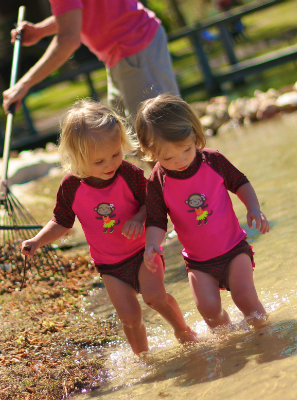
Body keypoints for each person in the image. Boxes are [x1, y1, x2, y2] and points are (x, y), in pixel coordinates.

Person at [21, 99, 196, 355]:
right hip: (110, 265)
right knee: (129, 317)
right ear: (77, 157)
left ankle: (183, 331)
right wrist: (37, 240)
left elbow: (153, 203)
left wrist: (138, 218)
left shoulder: (128, 174)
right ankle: (144, 359)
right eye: (99, 161)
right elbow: (61, 222)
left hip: (142, 252)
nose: (110, 164)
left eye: (115, 154)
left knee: (155, 298)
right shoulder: (71, 186)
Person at [135, 94, 269, 330]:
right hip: (198, 262)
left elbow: (240, 183)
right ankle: (228, 338)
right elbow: (156, 220)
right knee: (208, 310)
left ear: (195, 134)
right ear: (150, 152)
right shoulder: (157, 181)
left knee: (244, 296)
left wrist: (253, 208)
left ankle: (265, 333)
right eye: (168, 157)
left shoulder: (212, 160)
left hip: (233, 249)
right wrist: (152, 244)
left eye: (186, 149)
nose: (180, 160)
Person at [2, 0, 179, 118]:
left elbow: (68, 40)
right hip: (124, 50)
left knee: (159, 138)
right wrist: (40, 31)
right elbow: (75, 12)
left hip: (134, 45)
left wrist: (23, 84)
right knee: (128, 134)